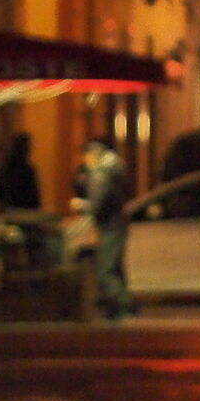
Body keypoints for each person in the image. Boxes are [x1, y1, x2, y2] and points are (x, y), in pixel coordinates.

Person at [76, 134, 133, 319]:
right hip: (116, 223)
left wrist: (82, 205)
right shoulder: (115, 168)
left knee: (106, 270)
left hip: (109, 225)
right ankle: (121, 307)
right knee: (115, 268)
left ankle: (121, 308)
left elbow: (97, 202)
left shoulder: (101, 173)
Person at [0, 131, 42, 214]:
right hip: (23, 213)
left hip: (7, 211)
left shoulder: (3, 168)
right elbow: (34, 196)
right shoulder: (26, 170)